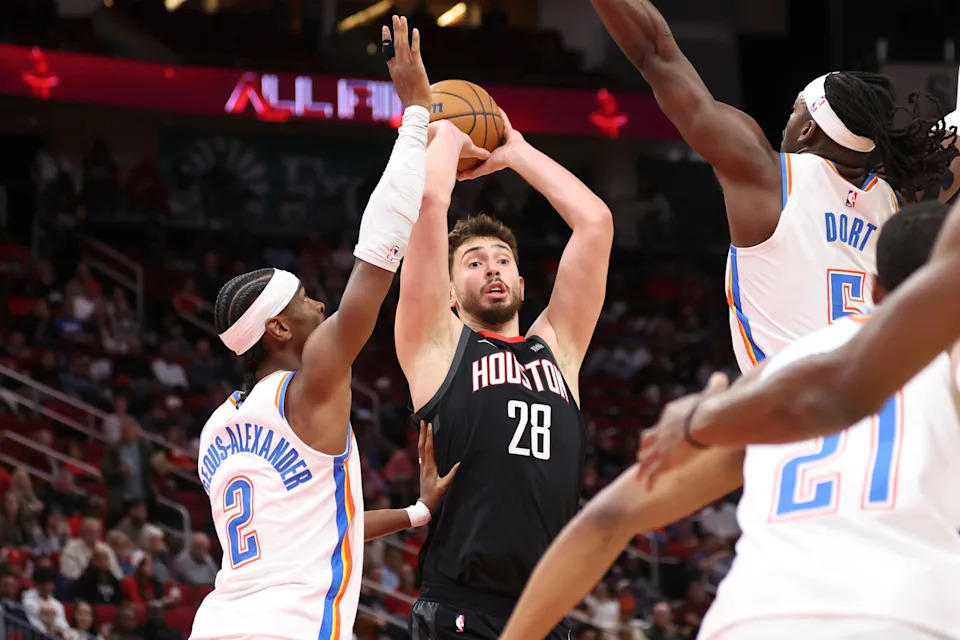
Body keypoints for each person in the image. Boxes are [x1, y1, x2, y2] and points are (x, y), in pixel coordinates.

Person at [500, 200, 960, 639]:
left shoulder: (776, 375)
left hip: (752, 617)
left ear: (874, 289)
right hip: (907, 612)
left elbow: (608, 518)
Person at [189, 16, 482, 640]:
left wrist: (416, 511)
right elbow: (378, 255)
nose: (320, 306)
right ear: (277, 331)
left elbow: (319, 523)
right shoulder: (312, 386)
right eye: (303, 302)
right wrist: (416, 116)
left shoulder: (216, 429)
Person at [589, 0, 957, 374]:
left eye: (795, 110)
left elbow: (655, 52)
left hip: (788, 415)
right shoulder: (898, 201)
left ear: (809, 128)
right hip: (873, 410)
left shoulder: (768, 176)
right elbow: (953, 141)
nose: (787, 123)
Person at [395, 100, 613, 636]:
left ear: (520, 284)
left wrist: (516, 151)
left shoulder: (558, 348)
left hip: (544, 612)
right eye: (473, 262)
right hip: (462, 608)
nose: (491, 266)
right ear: (448, 292)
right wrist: (444, 135)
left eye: (502, 259)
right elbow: (428, 204)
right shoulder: (436, 346)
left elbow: (595, 224)